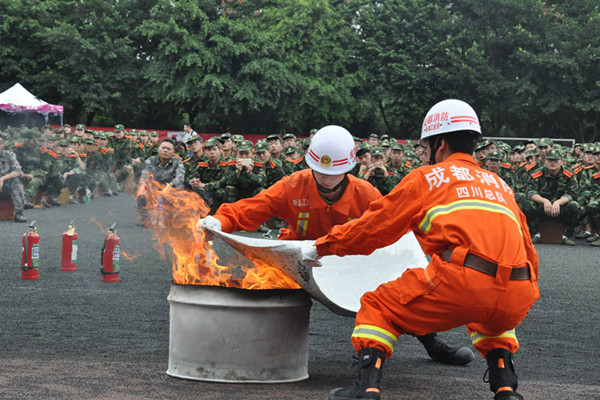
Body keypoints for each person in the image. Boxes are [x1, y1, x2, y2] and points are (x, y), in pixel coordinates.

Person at [301, 101, 539, 400]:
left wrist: (323, 247)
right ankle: (506, 388)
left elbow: (374, 228)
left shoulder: (427, 178)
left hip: (461, 279)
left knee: (378, 306)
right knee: (494, 318)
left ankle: (367, 388)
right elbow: (529, 248)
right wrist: (524, 290)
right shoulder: (500, 185)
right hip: (518, 290)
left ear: (440, 143)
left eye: (427, 144)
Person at [198, 125, 474, 368]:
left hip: (353, 258)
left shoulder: (366, 194)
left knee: (400, 290)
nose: (327, 178)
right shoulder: (292, 186)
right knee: (266, 283)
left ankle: (431, 343)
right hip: (300, 257)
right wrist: (219, 221)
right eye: (320, 171)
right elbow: (251, 209)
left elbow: (392, 226)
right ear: (310, 165)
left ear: (350, 167)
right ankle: (259, 346)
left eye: (335, 172)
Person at [0, 134, 27, 222]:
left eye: (0, 143)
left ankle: (19, 213)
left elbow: (18, 172)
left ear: (3, 145)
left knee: (16, 181)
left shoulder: (9, 155)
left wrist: (2, 179)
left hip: (6, 187)